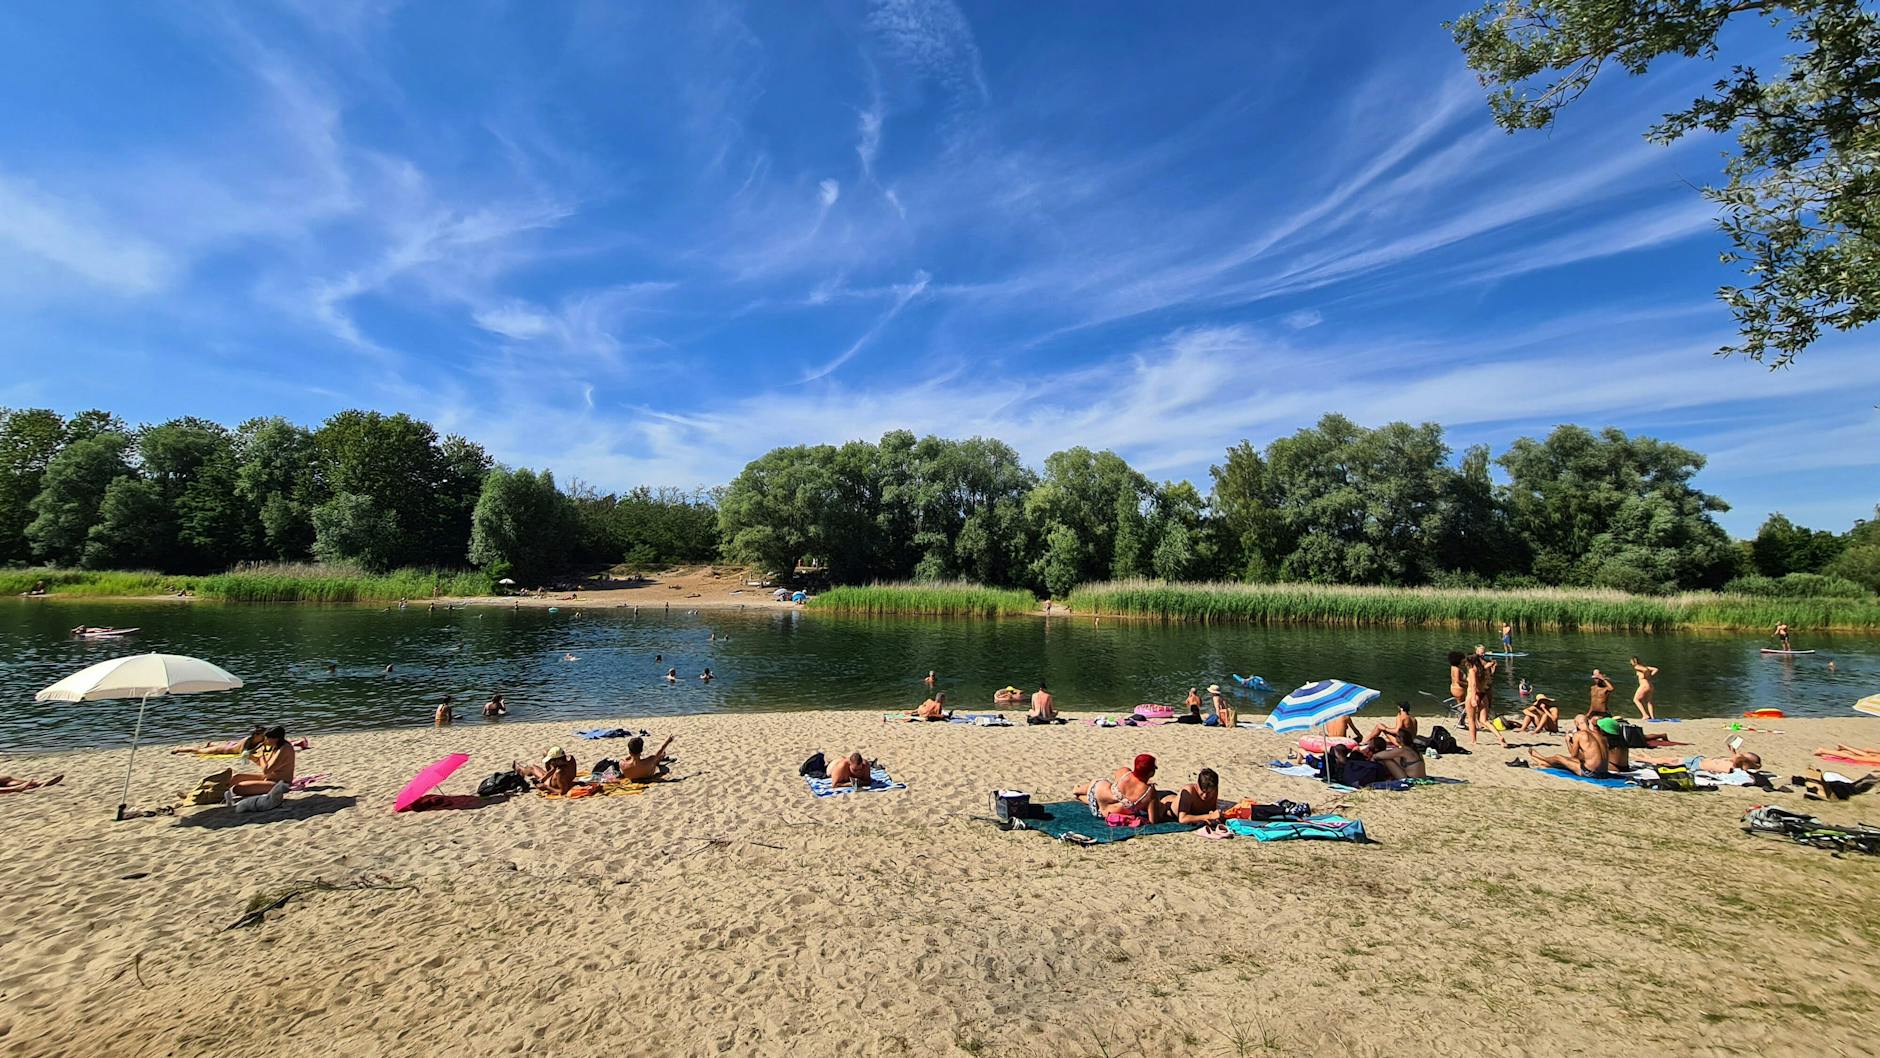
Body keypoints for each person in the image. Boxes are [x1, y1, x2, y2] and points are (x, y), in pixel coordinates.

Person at [1073, 754, 1166, 822]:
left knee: (1103, 784)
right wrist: (1163, 808)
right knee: (1118, 802)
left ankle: (1078, 790)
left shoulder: (1125, 772)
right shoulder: (1149, 792)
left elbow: (1118, 780)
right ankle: (1079, 796)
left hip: (1095, 793)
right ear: (1151, 773)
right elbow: (1153, 820)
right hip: (1100, 813)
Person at [229, 727, 295, 798]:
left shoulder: (285, 749)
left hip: (280, 782)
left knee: (239, 788)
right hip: (268, 777)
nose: (264, 740)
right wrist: (251, 757)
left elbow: (266, 770)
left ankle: (228, 793)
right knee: (236, 777)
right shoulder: (274, 747)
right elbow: (263, 764)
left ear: (275, 739)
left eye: (266, 738)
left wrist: (262, 755)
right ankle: (222, 793)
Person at [1527, 723, 1613, 777]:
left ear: (1577, 724)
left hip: (1590, 773)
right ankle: (1543, 762)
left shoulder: (1579, 734)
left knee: (1558, 757)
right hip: (1604, 773)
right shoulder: (1600, 736)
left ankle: (1543, 759)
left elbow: (1573, 756)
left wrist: (1568, 741)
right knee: (1569, 761)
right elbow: (1588, 756)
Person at [1160, 768, 1226, 825]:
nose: (1205, 795)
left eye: (1209, 793)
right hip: (1165, 804)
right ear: (1197, 784)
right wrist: (1209, 816)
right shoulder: (1189, 791)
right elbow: (1182, 819)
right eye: (1202, 792)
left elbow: (1212, 810)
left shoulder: (1214, 789)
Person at [1635, 749, 1763, 775]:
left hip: (1694, 764)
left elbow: (1740, 763)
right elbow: (1738, 760)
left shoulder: (1734, 767)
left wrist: (1738, 756)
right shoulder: (1734, 764)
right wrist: (1734, 752)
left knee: (1666, 761)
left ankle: (1643, 758)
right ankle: (1648, 758)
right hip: (1698, 760)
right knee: (1666, 759)